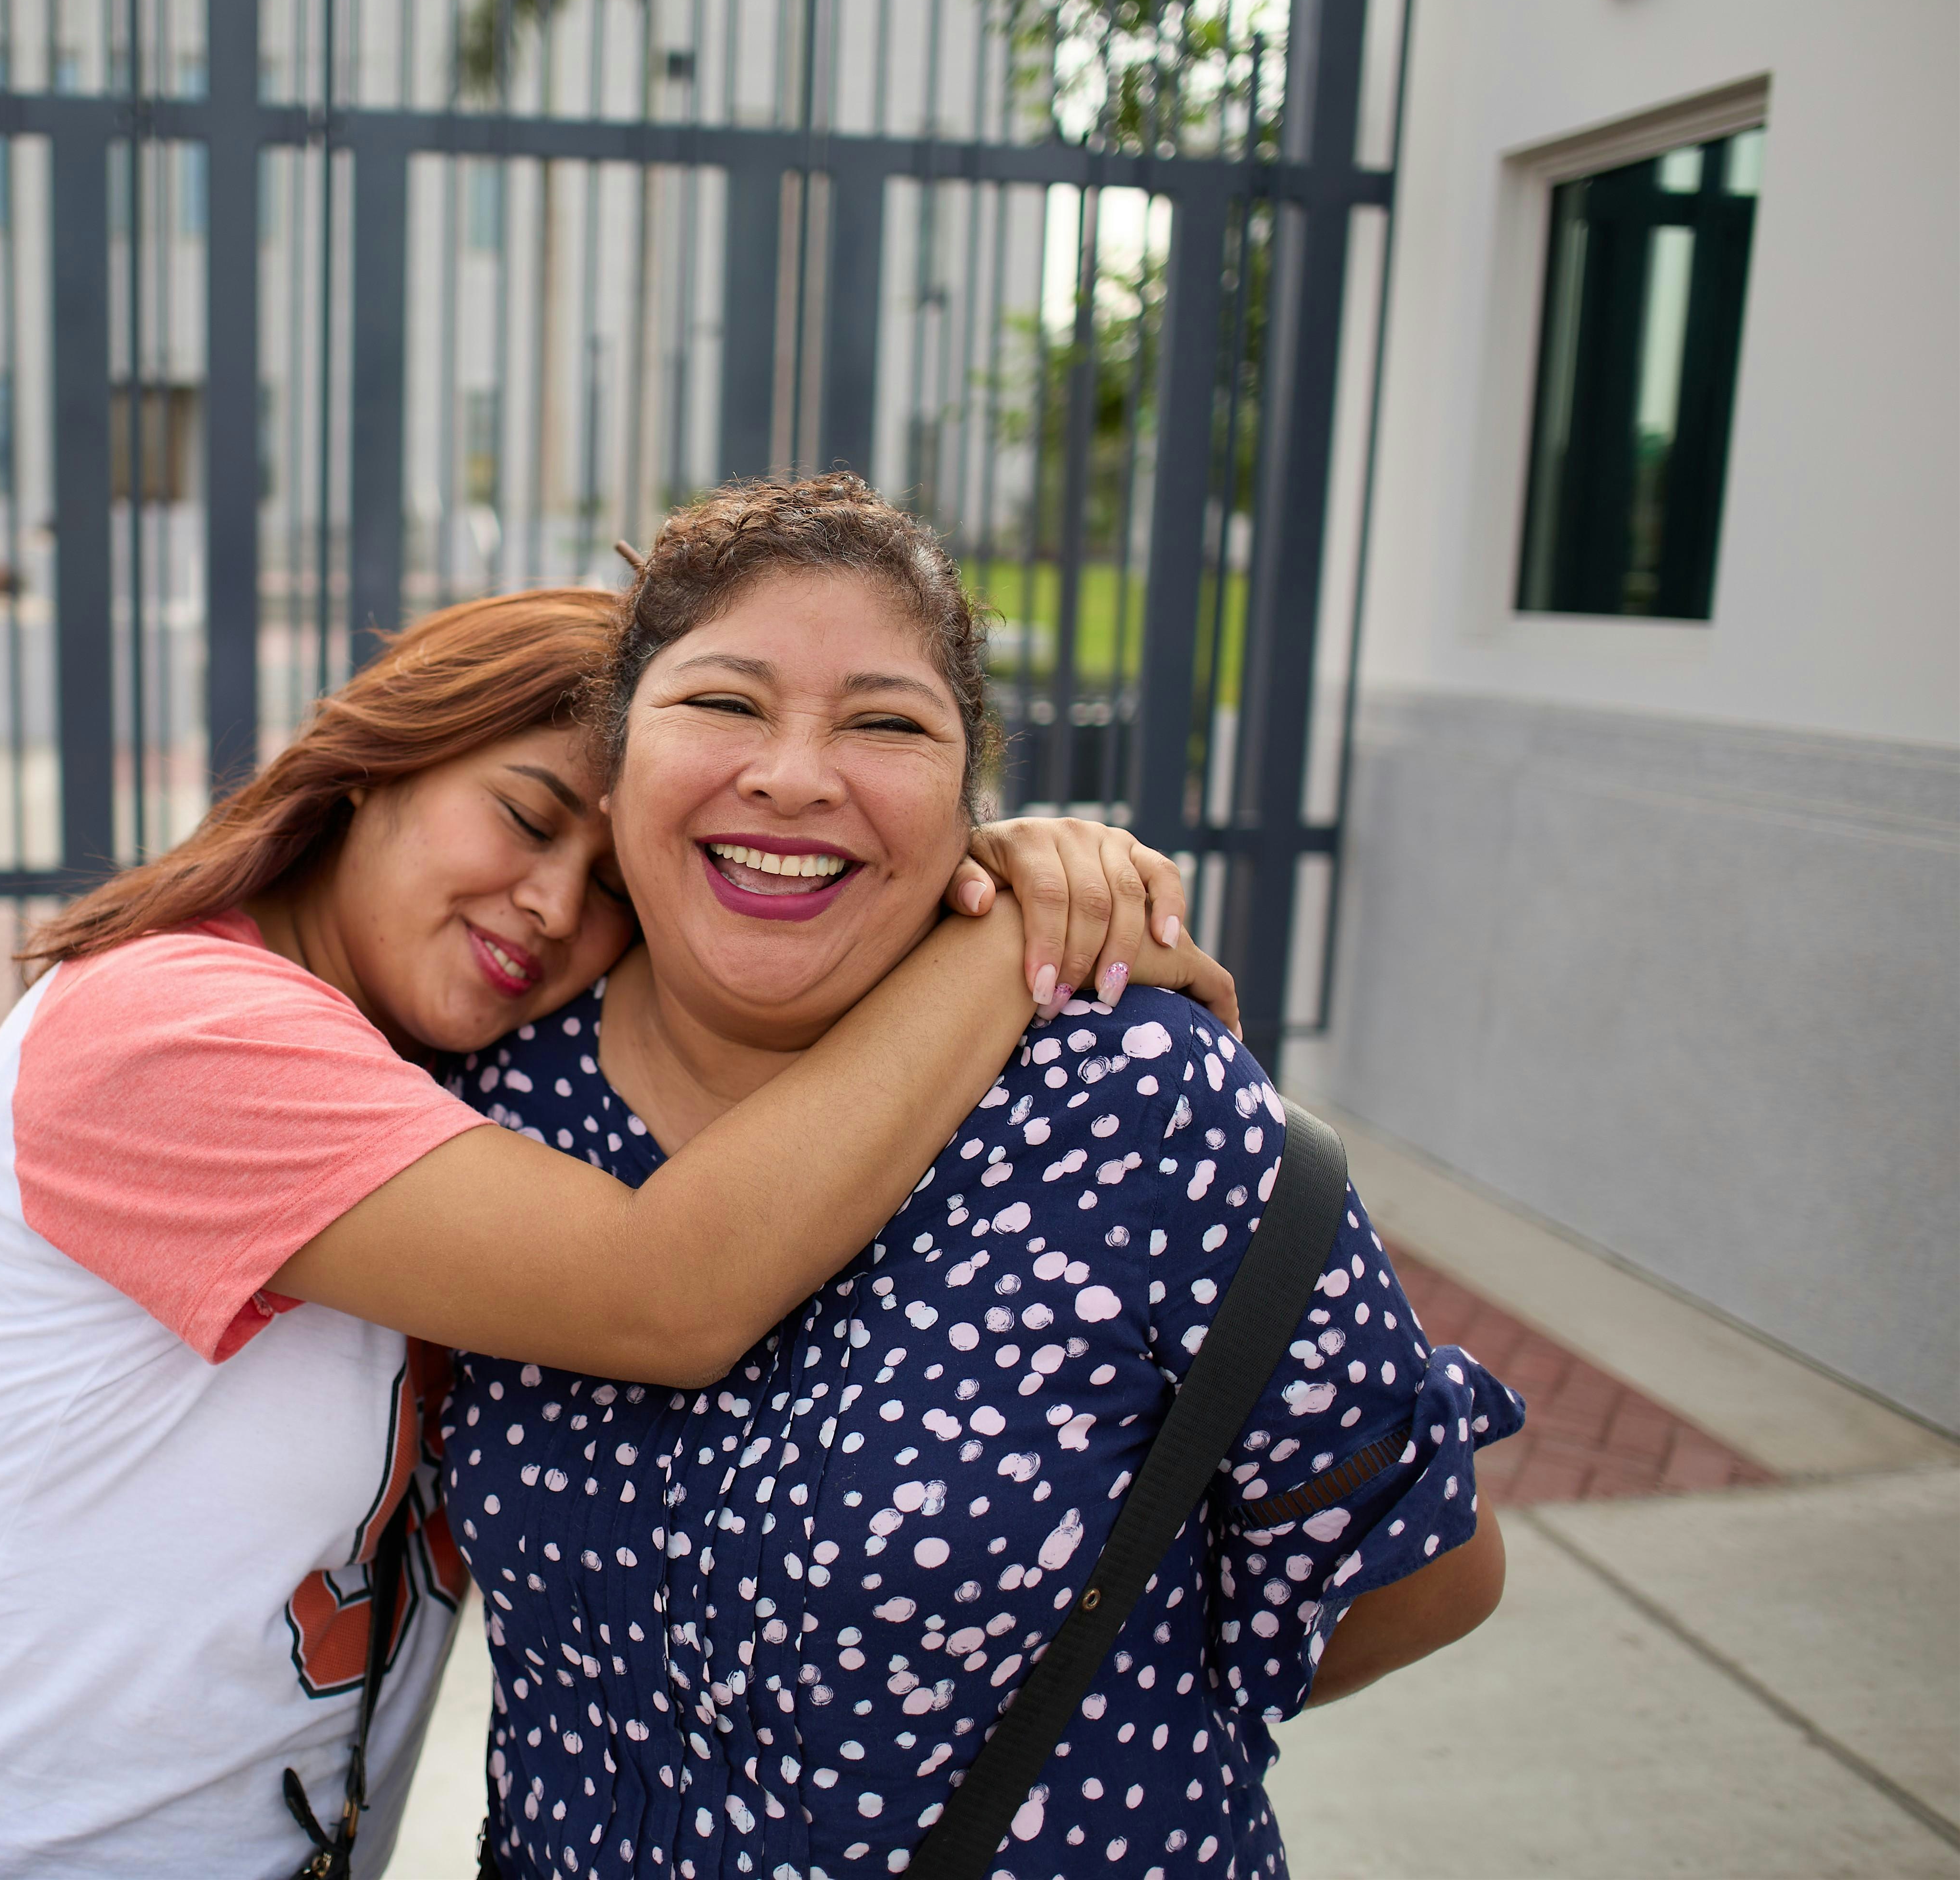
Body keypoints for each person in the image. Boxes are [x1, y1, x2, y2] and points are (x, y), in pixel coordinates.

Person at [0, 585, 1231, 1880]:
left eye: (612, 887)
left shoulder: (459, 1072)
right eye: (522, 815)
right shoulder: (173, 1031)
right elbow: (669, 1291)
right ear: (376, 763)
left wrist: (951, 861)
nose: (552, 907)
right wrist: (999, 946)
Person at [447, 478, 1520, 1880]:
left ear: (970, 803)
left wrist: (1098, 1740)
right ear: (613, 761)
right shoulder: (490, 1097)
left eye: (887, 724)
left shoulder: (1135, 1102)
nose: (794, 776)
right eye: (724, 703)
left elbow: (1424, 1576)